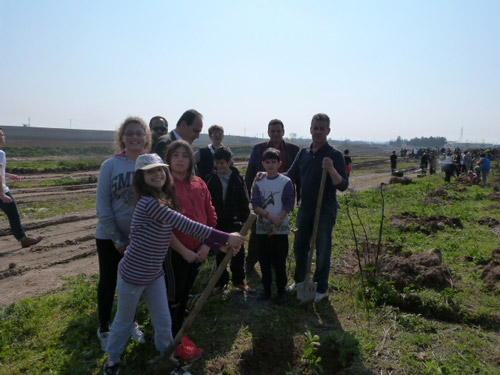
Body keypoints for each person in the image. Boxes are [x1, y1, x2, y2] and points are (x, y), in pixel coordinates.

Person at [103, 153, 244, 375]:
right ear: (141, 177)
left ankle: (167, 360)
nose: (157, 173)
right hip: (133, 274)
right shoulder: (149, 203)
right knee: (123, 320)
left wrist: (218, 244)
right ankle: (112, 361)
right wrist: (226, 237)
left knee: (163, 320)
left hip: (154, 273)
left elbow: (186, 228)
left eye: (160, 169)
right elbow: (187, 225)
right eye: (151, 171)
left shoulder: (162, 199)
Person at [95, 117, 150, 351]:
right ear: (122, 137)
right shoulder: (110, 165)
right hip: (109, 237)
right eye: (130, 133)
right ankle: (104, 327)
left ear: (146, 138)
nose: (135, 137)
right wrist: (118, 238)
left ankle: (130, 322)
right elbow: (103, 206)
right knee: (109, 281)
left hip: (139, 238)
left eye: (139, 133)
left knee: (133, 283)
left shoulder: (149, 165)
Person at [286, 113, 348, 303]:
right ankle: (300, 281)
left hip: (326, 207)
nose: (318, 132)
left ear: (328, 131)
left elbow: (343, 185)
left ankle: (321, 287)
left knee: (323, 247)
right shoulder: (303, 153)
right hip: (305, 206)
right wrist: (270, 175)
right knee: (300, 245)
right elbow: (290, 175)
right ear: (310, 129)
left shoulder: (335, 155)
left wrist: (331, 170)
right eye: (316, 128)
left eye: (322, 128)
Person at [163, 140, 217, 336]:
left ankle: (180, 324)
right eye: (175, 155)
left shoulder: (199, 182)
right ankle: (171, 334)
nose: (180, 159)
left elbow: (210, 214)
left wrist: (206, 245)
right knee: (174, 293)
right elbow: (163, 226)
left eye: (185, 155)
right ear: (168, 159)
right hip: (176, 251)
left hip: (199, 249)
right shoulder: (164, 186)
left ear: (191, 159)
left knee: (187, 287)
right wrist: (183, 250)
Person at [244, 119, 300, 275]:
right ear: (268, 132)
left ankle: (276, 263)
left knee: (279, 231)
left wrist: (299, 197)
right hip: (262, 199)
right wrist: (247, 195)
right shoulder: (258, 149)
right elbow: (250, 173)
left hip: (283, 199)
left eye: (278, 131)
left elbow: (298, 175)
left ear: (283, 131)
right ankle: (250, 262)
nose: (276, 134)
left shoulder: (293, 150)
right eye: (272, 131)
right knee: (257, 232)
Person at [251, 148, 294, 304]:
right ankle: (266, 289)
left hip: (281, 229)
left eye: (273, 162)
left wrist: (279, 218)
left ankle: (281, 291)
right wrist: (270, 217)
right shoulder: (259, 182)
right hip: (263, 228)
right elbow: (255, 204)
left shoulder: (286, 182)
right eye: (267, 162)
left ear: (279, 164)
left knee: (280, 261)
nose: (270, 165)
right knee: (264, 260)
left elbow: (289, 202)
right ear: (263, 164)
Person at [205, 146, 251, 292]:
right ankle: (221, 282)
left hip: (235, 220)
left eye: (223, 163)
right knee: (220, 251)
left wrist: (245, 219)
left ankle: (238, 281)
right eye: (217, 163)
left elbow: (244, 199)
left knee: (238, 251)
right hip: (217, 220)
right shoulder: (210, 179)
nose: (220, 166)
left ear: (229, 162)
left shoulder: (237, 178)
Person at [0, 128, 43, 248]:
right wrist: (2, 194)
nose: (4, 137)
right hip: (2, 191)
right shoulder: (0, 153)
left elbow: (1, 172)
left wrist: (9, 175)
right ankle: (23, 239)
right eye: (2, 135)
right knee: (14, 215)